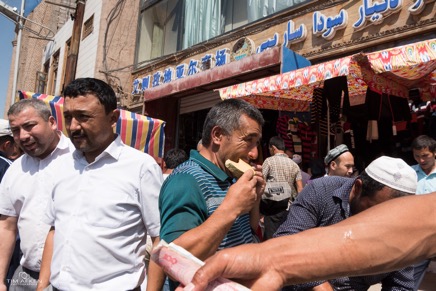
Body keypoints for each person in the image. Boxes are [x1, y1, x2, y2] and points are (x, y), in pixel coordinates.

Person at [36, 78, 164, 291]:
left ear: (112, 117)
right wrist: (43, 284)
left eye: (84, 117)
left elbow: (160, 239)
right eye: (68, 117)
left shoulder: (141, 167)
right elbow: (54, 229)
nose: (73, 127)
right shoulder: (62, 165)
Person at [159, 98, 265, 290]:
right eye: (248, 141)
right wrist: (231, 208)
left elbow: (248, 232)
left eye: (256, 143)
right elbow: (173, 259)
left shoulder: (232, 177)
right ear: (217, 135)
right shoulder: (186, 180)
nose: (254, 154)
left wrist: (254, 201)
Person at [274, 156, 416, 290]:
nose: (382, 222)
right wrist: (319, 286)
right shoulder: (321, 192)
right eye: (376, 211)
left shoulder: (401, 227)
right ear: (358, 187)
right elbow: (284, 243)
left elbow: (401, 285)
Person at [0, 99, 75, 291]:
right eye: (16, 130)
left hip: (71, 280)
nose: (23, 136)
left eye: (29, 126)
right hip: (24, 276)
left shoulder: (79, 160)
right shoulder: (15, 170)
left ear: (51, 122)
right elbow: (7, 226)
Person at [261, 136, 303, 240]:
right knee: (285, 239)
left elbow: (261, 182)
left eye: (269, 149)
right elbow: (300, 189)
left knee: (270, 240)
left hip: (271, 208)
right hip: (288, 208)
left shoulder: (269, 161)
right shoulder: (294, 165)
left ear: (273, 147)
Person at [410, 135, 436, 290]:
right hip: (417, 237)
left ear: (434, 153)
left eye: (425, 156)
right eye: (417, 156)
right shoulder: (409, 174)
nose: (421, 160)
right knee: (409, 280)